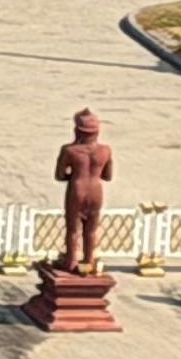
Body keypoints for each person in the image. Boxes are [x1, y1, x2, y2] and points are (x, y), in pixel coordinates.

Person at [54, 107, 115, 275]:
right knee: (92, 229)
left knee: (73, 229)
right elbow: (108, 176)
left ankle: (71, 260)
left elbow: (59, 175)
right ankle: (89, 260)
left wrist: (73, 176)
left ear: (77, 131)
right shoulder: (105, 150)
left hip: (77, 189)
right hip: (96, 190)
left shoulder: (69, 150)